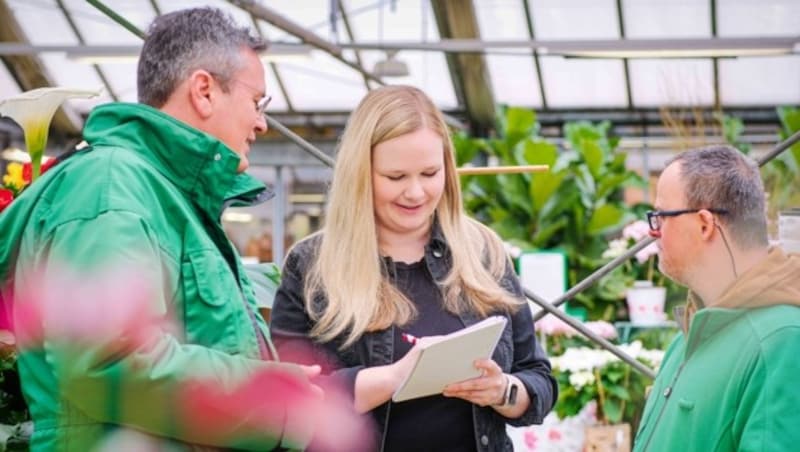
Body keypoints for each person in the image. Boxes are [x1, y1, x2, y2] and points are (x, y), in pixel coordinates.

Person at [0, 7, 332, 451]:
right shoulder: (111, 187)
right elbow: (106, 361)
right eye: (257, 102)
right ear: (204, 91)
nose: (260, 122)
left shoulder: (164, 196)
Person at [270, 85, 557, 451]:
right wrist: (398, 377)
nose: (417, 193)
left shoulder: (482, 252)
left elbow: (538, 378)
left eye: (429, 173)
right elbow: (288, 401)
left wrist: (502, 390)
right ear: (360, 175)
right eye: (396, 177)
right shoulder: (312, 266)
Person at [633, 145, 800, 451]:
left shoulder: (783, 342)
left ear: (705, 224)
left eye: (661, 216)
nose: (653, 232)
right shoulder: (693, 329)